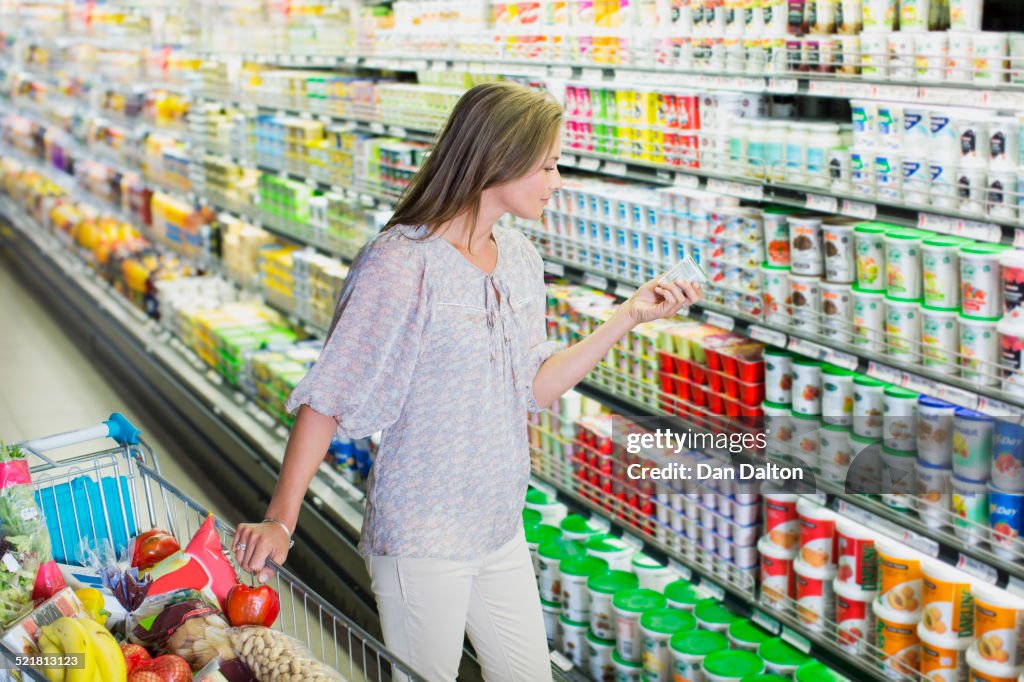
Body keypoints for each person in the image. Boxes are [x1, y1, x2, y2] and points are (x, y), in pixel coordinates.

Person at [234, 81, 703, 682]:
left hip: (498, 525)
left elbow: (531, 388)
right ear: (497, 161)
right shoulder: (402, 262)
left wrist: (628, 316)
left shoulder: (519, 259)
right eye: (547, 164)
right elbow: (331, 393)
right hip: (423, 536)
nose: (556, 180)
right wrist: (282, 518)